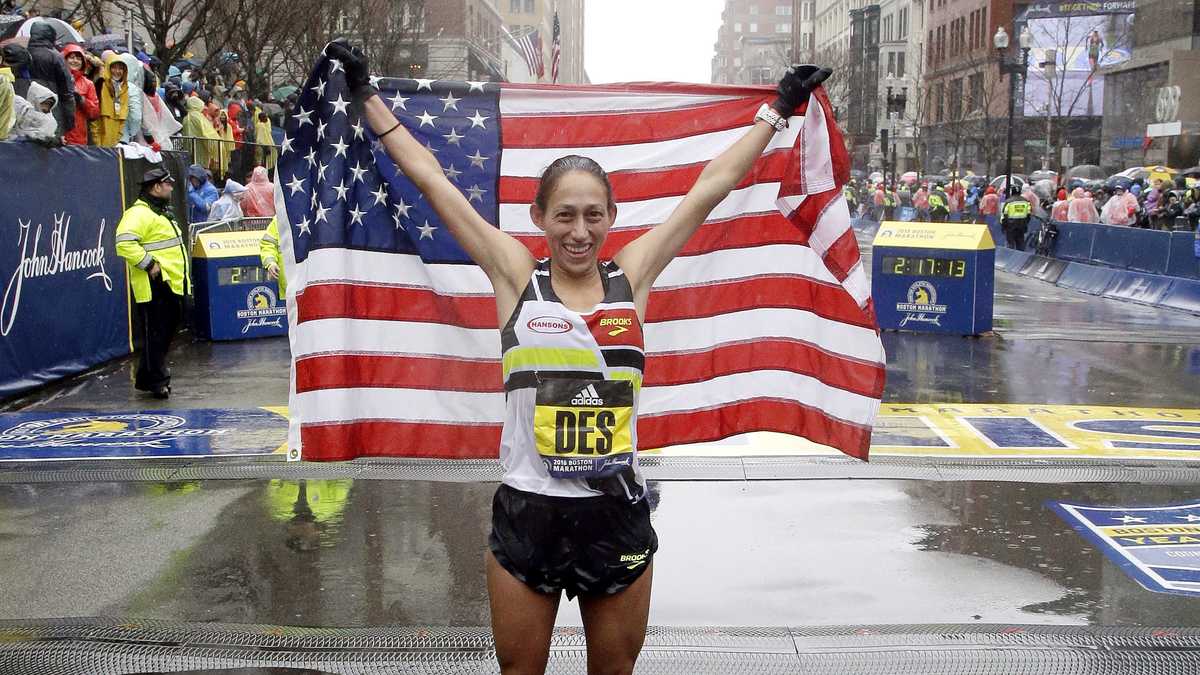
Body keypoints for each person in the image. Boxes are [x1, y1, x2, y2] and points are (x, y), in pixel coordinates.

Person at [327, 38, 830, 675]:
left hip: (613, 515)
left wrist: (778, 108)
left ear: (612, 217)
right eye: (564, 215)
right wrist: (368, 98)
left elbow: (710, 189)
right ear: (539, 217)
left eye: (594, 216)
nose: (579, 231)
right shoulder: (514, 275)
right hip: (527, 514)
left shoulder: (633, 276)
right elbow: (432, 181)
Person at [115, 166, 189, 399]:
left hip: (171, 283)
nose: (170, 187)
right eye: (167, 183)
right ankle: (157, 381)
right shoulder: (138, 214)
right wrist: (149, 264)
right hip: (155, 285)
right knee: (156, 335)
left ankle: (148, 377)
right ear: (156, 187)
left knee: (163, 333)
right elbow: (124, 243)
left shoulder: (159, 212)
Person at [25, 21, 75, 136]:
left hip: (27, 111)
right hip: (51, 110)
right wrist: (69, 121)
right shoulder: (56, 57)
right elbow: (67, 92)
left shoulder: (23, 54)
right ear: (51, 36)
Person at [60, 44, 99, 145]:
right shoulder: (57, 79)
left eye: (78, 58)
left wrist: (82, 100)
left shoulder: (88, 84)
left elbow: (94, 113)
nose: (75, 61)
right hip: (60, 136)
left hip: (79, 137)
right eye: (72, 57)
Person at [91, 52, 128, 147]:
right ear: (108, 68)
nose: (117, 71)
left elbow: (122, 117)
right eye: (114, 67)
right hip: (99, 141)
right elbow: (94, 117)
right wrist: (97, 143)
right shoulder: (100, 84)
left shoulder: (123, 88)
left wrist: (117, 138)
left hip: (113, 141)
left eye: (121, 68)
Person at [181, 96, 219, 173]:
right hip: (201, 152)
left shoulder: (186, 118)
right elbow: (207, 135)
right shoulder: (198, 117)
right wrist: (213, 152)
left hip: (189, 153)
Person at [259, 216, 286, 295]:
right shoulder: (281, 216)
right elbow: (267, 243)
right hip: (287, 291)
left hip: (314, 289)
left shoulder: (316, 213)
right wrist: (271, 263)